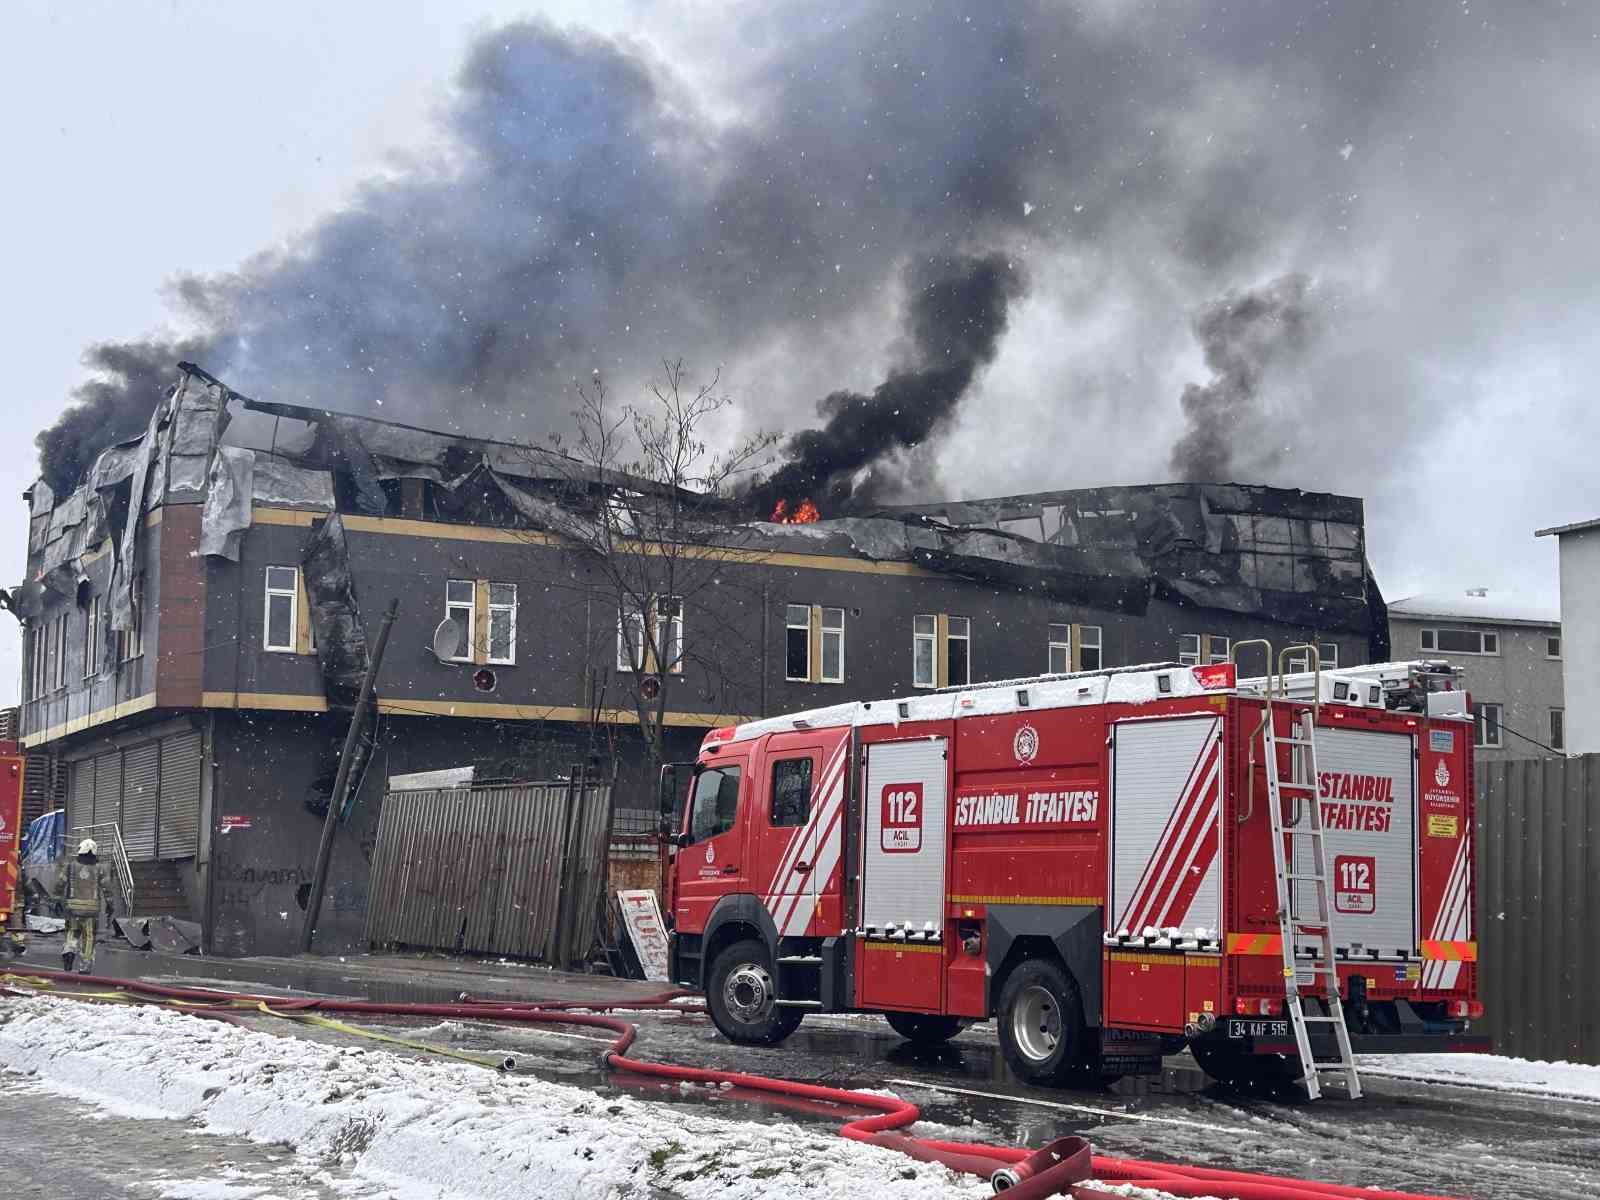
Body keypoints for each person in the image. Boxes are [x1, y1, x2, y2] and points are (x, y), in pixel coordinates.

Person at [60, 839, 108, 974]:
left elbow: (60, 883)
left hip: (73, 909)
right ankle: (85, 964)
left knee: (72, 932)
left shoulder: (70, 867)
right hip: (91, 912)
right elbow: (107, 888)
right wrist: (110, 905)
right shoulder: (100, 869)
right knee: (89, 937)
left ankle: (69, 950)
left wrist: (55, 898)